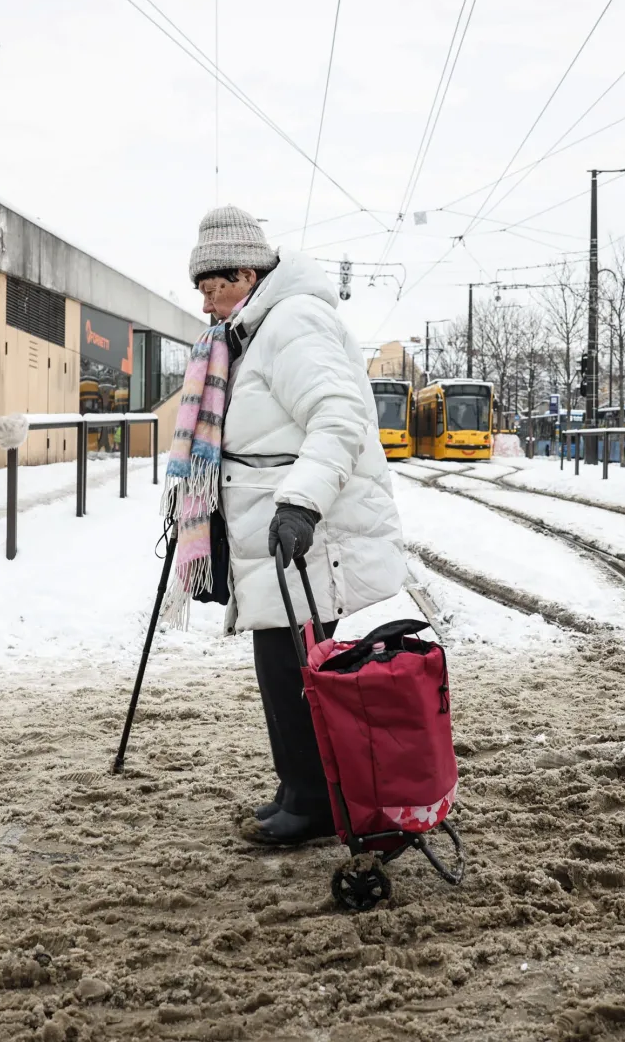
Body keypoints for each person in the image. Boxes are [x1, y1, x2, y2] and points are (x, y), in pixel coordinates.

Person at [169, 205, 407, 847]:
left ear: (245, 272)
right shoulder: (257, 329)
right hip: (275, 539)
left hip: (309, 536)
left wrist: (299, 502)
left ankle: (317, 802)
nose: (205, 301)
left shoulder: (293, 323)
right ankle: (302, 788)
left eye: (211, 286)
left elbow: (340, 417)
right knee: (282, 663)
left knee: (298, 667)